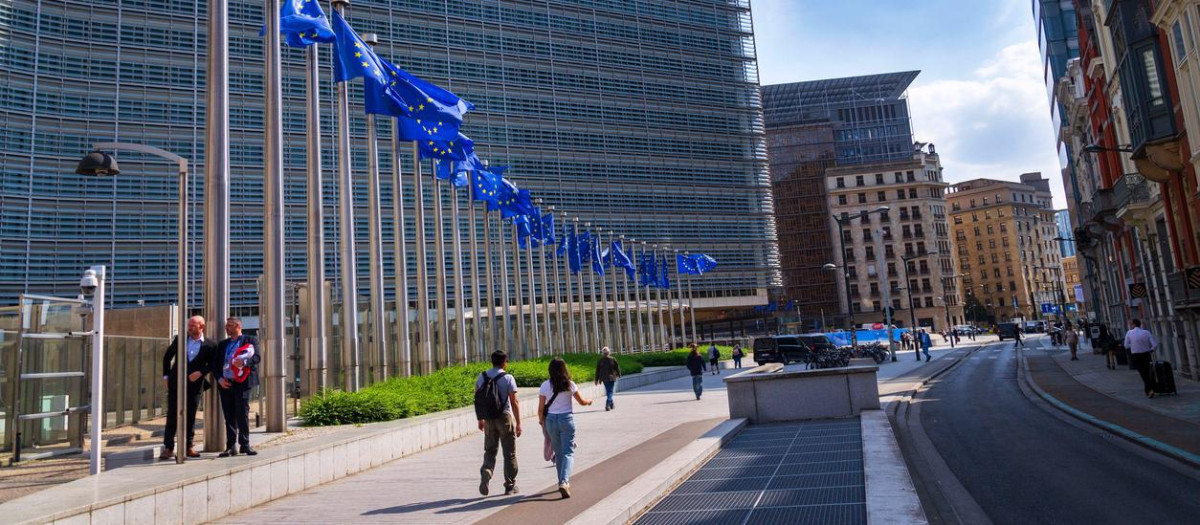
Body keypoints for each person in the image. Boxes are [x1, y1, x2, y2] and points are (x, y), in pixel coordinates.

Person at [160, 315, 217, 460]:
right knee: (172, 415)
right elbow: (167, 357)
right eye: (189, 325)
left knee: (190, 416)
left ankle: (188, 446)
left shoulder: (210, 345)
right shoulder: (180, 339)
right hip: (175, 383)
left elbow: (212, 364)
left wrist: (201, 373)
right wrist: (166, 376)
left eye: (193, 325)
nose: (190, 328)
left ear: (201, 327)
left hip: (195, 386)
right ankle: (168, 447)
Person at [538, 358, 592, 498]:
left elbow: (540, 408)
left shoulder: (545, 386)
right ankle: (564, 482)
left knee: (559, 453)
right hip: (566, 419)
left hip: (551, 421)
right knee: (568, 452)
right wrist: (588, 402)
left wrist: (540, 420)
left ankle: (561, 482)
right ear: (564, 369)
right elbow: (581, 402)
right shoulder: (570, 384)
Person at [212, 317, 260, 457]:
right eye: (226, 325)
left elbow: (257, 357)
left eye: (229, 325)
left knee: (242, 413)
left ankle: (244, 445)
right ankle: (230, 446)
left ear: (238, 326)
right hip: (226, 383)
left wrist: (244, 363)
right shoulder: (222, 344)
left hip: (242, 383)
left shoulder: (250, 340)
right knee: (229, 415)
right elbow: (215, 365)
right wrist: (219, 379)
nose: (226, 328)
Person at [477, 350, 521, 496]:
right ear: (504, 362)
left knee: (490, 450)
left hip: (489, 419)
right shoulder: (508, 378)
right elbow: (514, 402)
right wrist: (519, 422)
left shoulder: (482, 376)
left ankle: (487, 471)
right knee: (509, 453)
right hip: (504, 417)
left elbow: (478, 399)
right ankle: (510, 485)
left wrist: (480, 419)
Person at [1123, 319, 1160, 398]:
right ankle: (1150, 389)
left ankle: (1149, 390)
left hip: (1135, 355)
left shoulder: (1129, 333)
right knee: (1148, 372)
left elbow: (1126, 345)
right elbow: (1155, 344)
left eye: (1131, 324)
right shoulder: (1146, 332)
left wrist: (1133, 346)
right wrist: (1151, 349)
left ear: (1133, 324)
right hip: (1146, 354)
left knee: (1143, 373)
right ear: (1140, 324)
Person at [594, 347, 621, 411]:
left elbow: (597, 370)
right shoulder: (613, 359)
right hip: (611, 377)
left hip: (604, 378)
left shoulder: (600, 360)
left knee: (609, 391)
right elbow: (617, 368)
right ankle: (607, 404)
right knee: (610, 391)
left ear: (603, 353)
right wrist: (619, 374)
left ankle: (611, 404)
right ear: (609, 352)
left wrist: (596, 379)